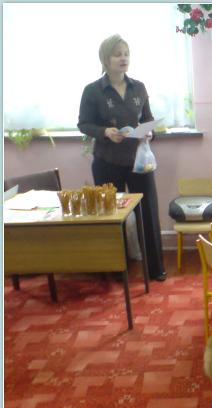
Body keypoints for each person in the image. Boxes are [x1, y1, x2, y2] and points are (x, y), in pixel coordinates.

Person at [78, 34, 166, 281]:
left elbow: (148, 119)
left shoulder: (139, 87)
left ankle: (156, 268)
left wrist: (149, 133)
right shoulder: (92, 90)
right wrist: (105, 132)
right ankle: (117, 271)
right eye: (117, 54)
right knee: (112, 216)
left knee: (148, 212)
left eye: (126, 53)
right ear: (105, 59)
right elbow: (83, 124)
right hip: (107, 162)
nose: (123, 58)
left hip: (139, 161)